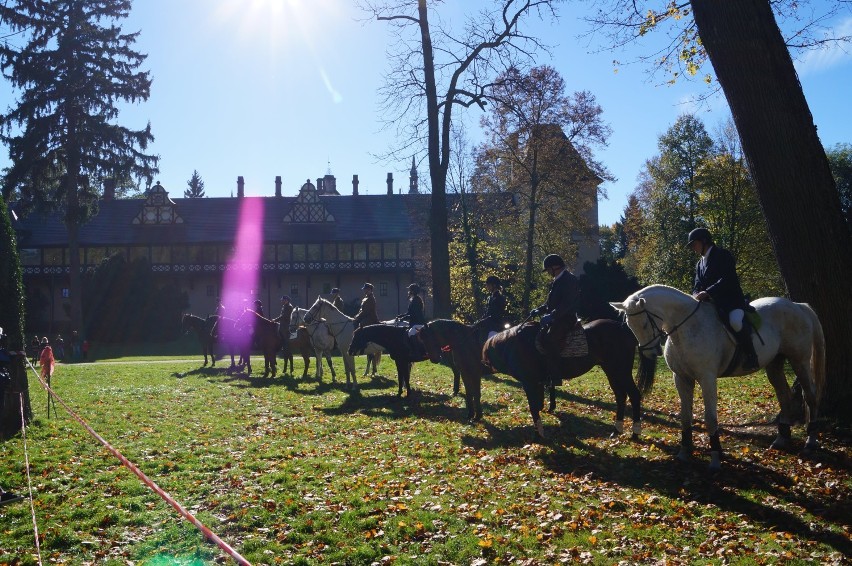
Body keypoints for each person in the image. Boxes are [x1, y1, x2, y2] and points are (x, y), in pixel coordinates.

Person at [687, 227, 758, 371]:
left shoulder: (723, 255)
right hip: (711, 305)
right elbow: (697, 285)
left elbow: (728, 279)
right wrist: (695, 294)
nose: (693, 248)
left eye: (694, 244)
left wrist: (707, 292)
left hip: (731, 302)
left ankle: (752, 356)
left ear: (704, 241)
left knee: (735, 322)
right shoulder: (699, 264)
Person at [530, 254, 580, 386]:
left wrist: (552, 315)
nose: (548, 273)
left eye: (548, 270)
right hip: (557, 317)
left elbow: (567, 303)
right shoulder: (557, 280)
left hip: (566, 317)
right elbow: (549, 303)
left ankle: (556, 375)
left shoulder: (569, 279)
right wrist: (539, 310)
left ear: (554, 267)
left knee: (550, 338)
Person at [474, 275, 507, 343]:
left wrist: (483, 321)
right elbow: (487, 312)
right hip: (488, 324)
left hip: (496, 326)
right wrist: (479, 321)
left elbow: (494, 315)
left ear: (494, 285)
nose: (487, 287)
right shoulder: (490, 298)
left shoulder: (499, 298)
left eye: (488, 285)